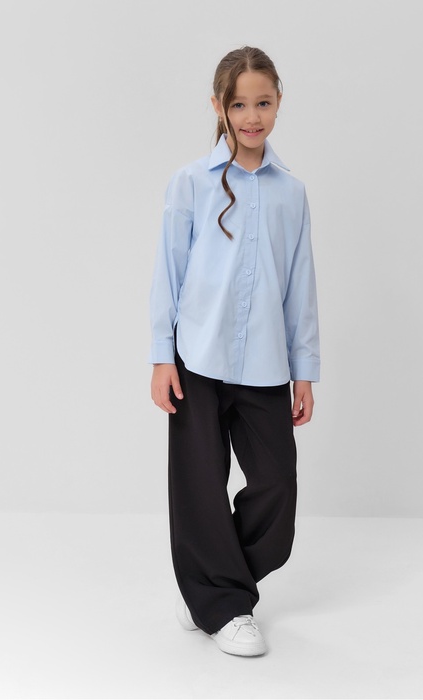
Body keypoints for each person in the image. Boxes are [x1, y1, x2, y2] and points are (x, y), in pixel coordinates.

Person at [148, 46, 320, 657]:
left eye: (263, 103)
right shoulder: (190, 183)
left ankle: (208, 587)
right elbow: (168, 272)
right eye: (240, 104)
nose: (252, 116)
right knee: (199, 485)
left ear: (279, 103)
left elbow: (300, 285)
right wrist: (160, 355)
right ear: (219, 107)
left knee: (276, 488)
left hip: (266, 364)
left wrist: (305, 370)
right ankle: (223, 605)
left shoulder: (291, 193)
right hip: (196, 358)